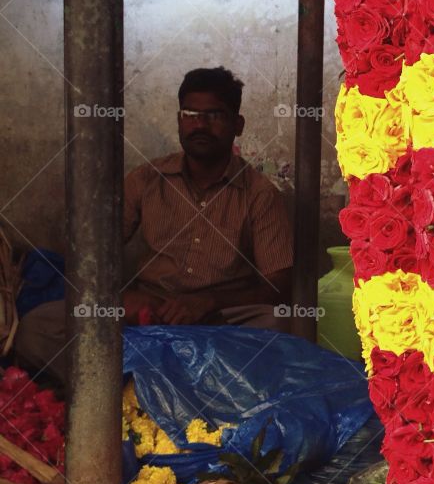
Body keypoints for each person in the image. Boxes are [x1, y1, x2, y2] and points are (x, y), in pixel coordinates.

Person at [16, 67, 293, 384]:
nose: (199, 124)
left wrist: (209, 303)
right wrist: (121, 298)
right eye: (190, 113)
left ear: (237, 125)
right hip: (147, 313)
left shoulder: (260, 194)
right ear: (178, 120)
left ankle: (145, 382)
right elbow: (93, 254)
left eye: (214, 115)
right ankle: (151, 387)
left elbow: (279, 286)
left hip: (219, 319)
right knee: (38, 327)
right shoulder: (148, 178)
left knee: (275, 326)